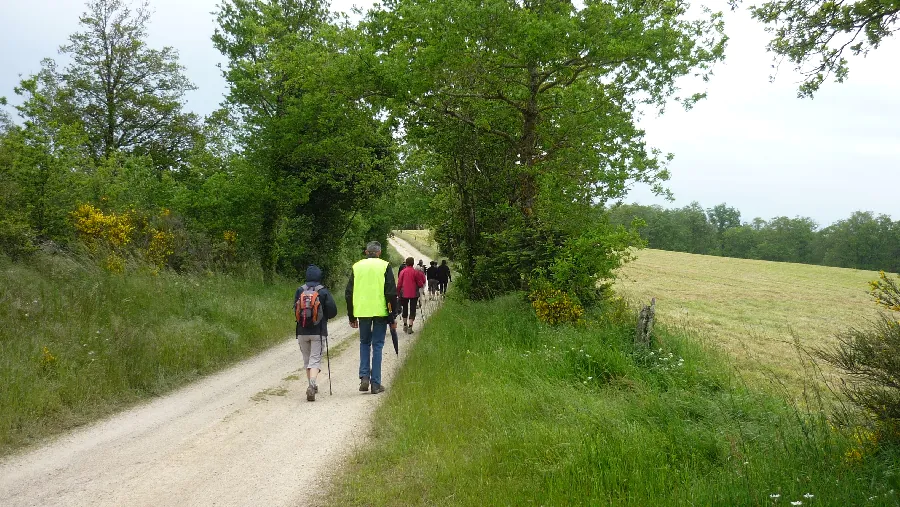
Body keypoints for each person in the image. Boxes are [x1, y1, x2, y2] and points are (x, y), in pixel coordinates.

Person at [346, 241, 397, 395]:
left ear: (366, 252)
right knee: (378, 345)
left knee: (364, 343)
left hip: (362, 311)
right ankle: (376, 383)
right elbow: (390, 293)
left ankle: (364, 378)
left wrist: (351, 315)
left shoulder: (357, 266)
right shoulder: (385, 266)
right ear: (379, 252)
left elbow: (349, 293)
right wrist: (392, 315)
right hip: (380, 311)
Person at [294, 265, 339, 402]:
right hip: (318, 331)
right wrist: (323, 317)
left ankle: (311, 384)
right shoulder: (323, 291)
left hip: (301, 331)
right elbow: (333, 311)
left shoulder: (300, 290)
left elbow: (295, 309)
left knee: (307, 360)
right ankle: (312, 385)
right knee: (315, 360)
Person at [396, 256, 426, 334]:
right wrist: (420, 286)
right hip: (414, 293)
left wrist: (398, 292)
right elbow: (420, 283)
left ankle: (405, 324)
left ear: (406, 263)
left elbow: (399, 284)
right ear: (413, 263)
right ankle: (410, 326)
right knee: (413, 309)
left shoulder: (402, 272)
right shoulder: (416, 272)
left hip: (404, 293)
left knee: (405, 308)